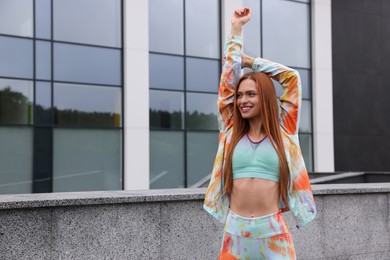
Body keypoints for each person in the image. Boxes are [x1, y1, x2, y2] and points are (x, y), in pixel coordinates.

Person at [203, 7, 316, 259]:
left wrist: (250, 62)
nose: (242, 100)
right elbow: (227, 84)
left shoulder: (284, 131)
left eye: (250, 94)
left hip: (274, 235)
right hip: (235, 234)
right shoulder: (231, 130)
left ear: (264, 97)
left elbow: (292, 78)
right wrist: (236, 29)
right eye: (240, 95)